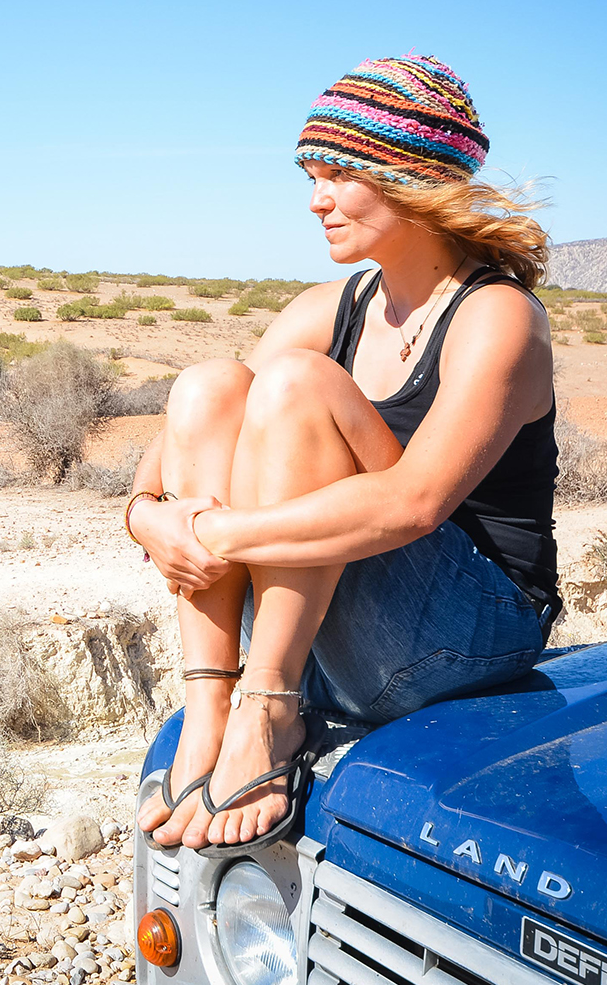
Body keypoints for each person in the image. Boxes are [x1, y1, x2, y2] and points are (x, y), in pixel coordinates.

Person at [127, 55, 557, 857]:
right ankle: (213, 703)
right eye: (311, 176)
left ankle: (270, 708)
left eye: (337, 175)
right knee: (210, 385)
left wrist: (209, 535)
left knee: (294, 385)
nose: (316, 200)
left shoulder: (498, 317)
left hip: (468, 633)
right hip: (341, 624)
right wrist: (148, 520)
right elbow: (157, 478)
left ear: (412, 176)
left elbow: (414, 504)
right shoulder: (328, 308)